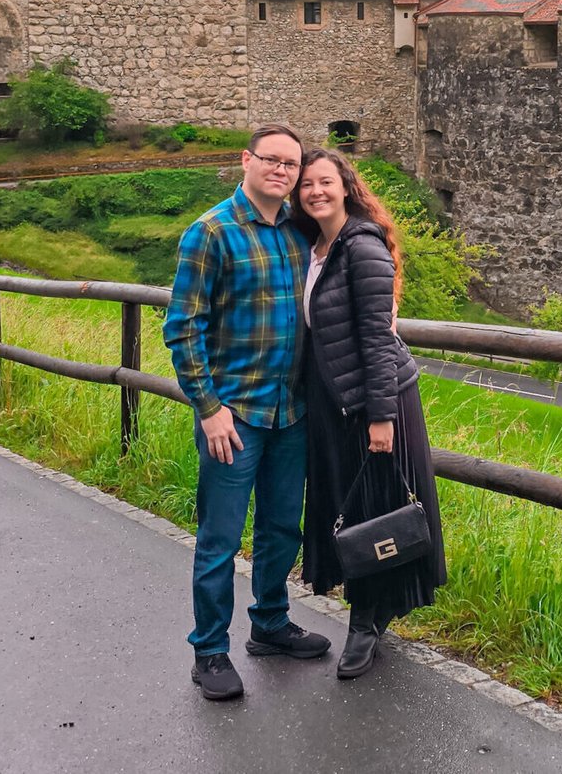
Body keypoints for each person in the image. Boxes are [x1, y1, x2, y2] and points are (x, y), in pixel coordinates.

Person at [162, 123, 330, 701]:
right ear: (246, 160)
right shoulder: (210, 232)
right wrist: (208, 409)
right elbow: (182, 329)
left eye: (292, 164)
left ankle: (270, 624)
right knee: (220, 539)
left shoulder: (298, 232)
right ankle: (209, 650)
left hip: (291, 412)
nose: (282, 171)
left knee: (284, 527)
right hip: (233, 415)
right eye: (272, 160)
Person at [291, 148, 446, 679]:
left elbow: (378, 339)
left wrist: (382, 416)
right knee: (354, 505)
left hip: (375, 402)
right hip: (335, 402)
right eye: (307, 184)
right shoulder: (313, 246)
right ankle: (373, 611)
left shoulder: (361, 244)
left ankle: (365, 623)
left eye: (325, 182)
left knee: (375, 510)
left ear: (346, 186)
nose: (315, 191)